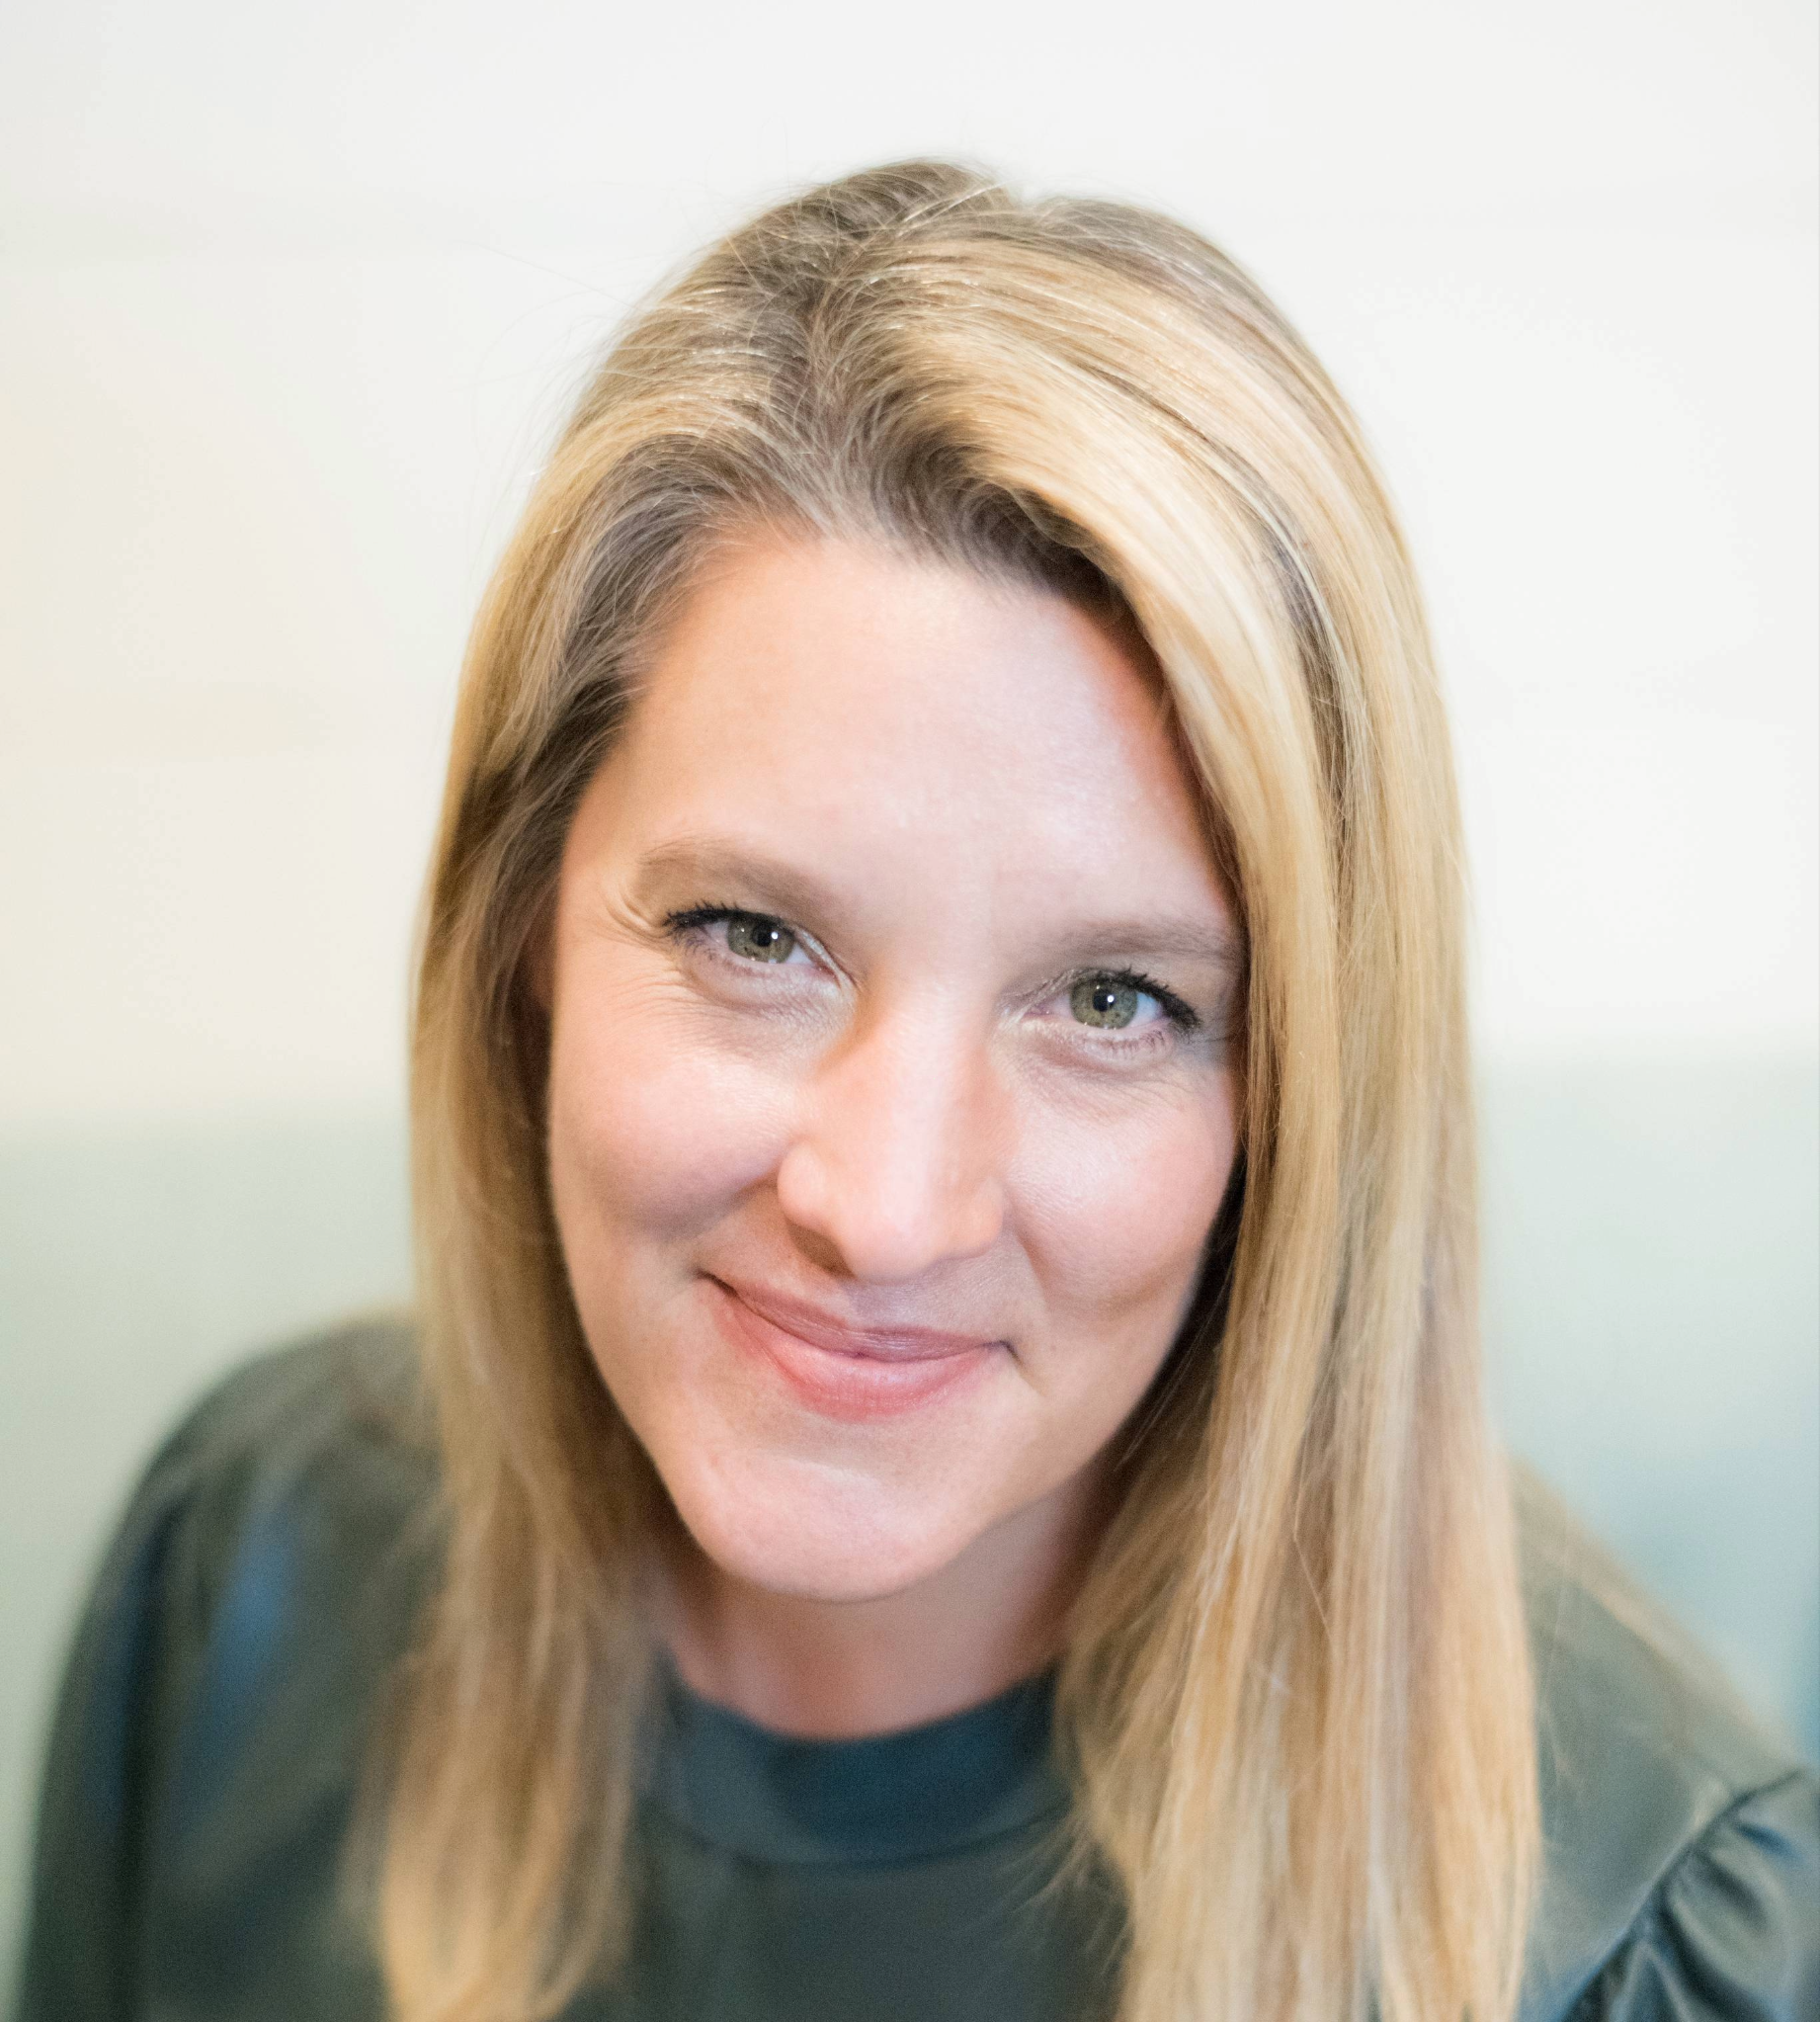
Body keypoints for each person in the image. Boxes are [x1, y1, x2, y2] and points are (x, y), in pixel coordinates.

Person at [13, 161, 1817, 2022]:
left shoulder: (1646, 1931)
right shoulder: (250, 1577)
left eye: (1113, 998)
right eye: (750, 935)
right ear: (522, 936)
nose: (883, 1205)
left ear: (1294, 1100)